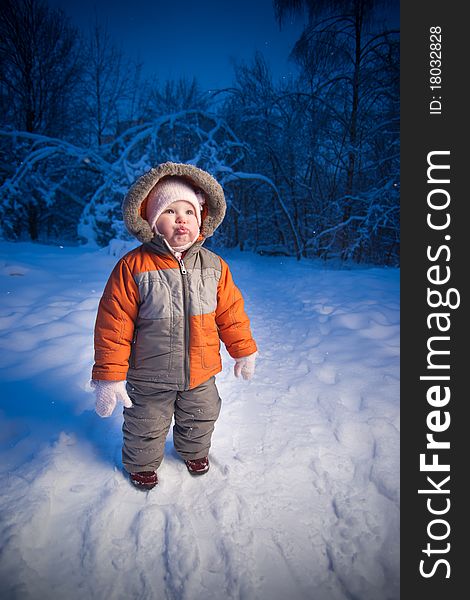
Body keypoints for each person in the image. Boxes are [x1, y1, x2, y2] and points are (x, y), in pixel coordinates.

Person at [91, 162, 258, 490]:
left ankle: (194, 450)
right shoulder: (132, 267)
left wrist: (244, 350)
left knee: (202, 415)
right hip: (149, 374)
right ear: (152, 223)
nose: (181, 218)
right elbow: (113, 325)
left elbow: (231, 314)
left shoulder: (214, 267)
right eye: (169, 211)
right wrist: (109, 376)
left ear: (201, 220)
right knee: (145, 423)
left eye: (188, 211)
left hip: (200, 371)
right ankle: (141, 462)